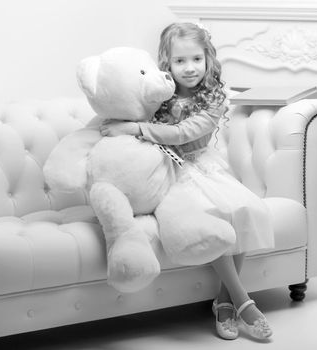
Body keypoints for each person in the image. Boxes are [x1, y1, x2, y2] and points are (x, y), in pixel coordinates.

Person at [98, 22, 275, 341]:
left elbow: (185, 133)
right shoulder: (158, 92)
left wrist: (137, 130)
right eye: (180, 61)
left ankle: (225, 299)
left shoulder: (214, 98)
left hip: (202, 164)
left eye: (196, 59)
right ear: (167, 62)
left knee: (243, 209)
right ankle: (243, 301)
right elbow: (131, 110)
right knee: (211, 218)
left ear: (208, 58)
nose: (189, 68)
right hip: (167, 170)